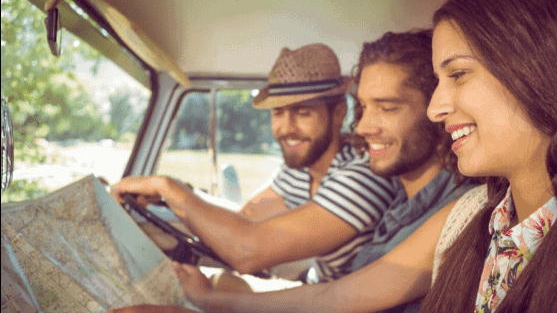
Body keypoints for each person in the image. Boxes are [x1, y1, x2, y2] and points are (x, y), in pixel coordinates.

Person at [105, 29, 477, 313]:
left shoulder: (395, 188)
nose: (364, 127)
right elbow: (246, 221)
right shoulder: (401, 194)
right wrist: (210, 293)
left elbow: (250, 250)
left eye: (388, 107)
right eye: (364, 107)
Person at [111, 43, 397, 283]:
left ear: (339, 113)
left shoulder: (362, 175)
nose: (286, 128)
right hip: (314, 286)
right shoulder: (300, 170)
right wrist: (178, 197)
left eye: (303, 112)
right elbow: (247, 218)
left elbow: (247, 251)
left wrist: (167, 188)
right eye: (278, 113)